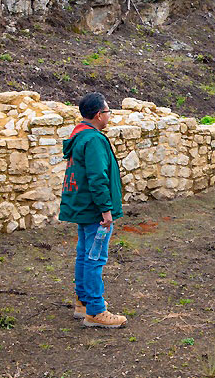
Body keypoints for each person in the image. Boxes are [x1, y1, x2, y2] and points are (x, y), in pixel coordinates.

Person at [59, 92, 127, 328]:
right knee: (95, 257)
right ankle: (96, 311)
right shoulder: (94, 140)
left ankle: (83, 301)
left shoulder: (79, 136)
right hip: (95, 210)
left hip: (83, 207)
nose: (109, 116)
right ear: (99, 114)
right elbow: (98, 178)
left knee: (84, 254)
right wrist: (106, 210)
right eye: (108, 111)